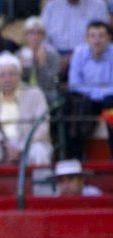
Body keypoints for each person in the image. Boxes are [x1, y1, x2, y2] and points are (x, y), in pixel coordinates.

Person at [0, 53, 52, 167]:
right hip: (2, 144)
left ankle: (41, 185)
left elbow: (42, 127)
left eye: (12, 74)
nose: (7, 79)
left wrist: (22, 146)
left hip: (31, 142)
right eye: (3, 75)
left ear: (19, 76)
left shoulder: (35, 94)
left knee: (39, 151)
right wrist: (6, 145)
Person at [65, 21, 113, 159]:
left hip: (109, 101)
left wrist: (98, 94)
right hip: (86, 100)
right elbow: (75, 84)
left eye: (101, 36)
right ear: (87, 38)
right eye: (93, 36)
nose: (97, 40)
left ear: (109, 38)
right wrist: (96, 93)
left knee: (111, 107)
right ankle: (75, 158)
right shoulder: (79, 53)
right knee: (71, 106)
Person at [41, 0, 109, 62]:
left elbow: (104, 37)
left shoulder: (98, 5)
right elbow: (42, 36)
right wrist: (55, 58)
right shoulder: (52, 5)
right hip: (56, 55)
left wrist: (75, 57)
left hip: (88, 55)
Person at [16, 16, 62, 106]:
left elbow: (51, 83)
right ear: (25, 36)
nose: (35, 37)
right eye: (31, 33)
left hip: (46, 93)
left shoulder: (52, 55)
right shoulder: (19, 55)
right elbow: (18, 82)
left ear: (43, 36)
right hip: (24, 94)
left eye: (38, 33)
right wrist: (22, 68)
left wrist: (42, 64)